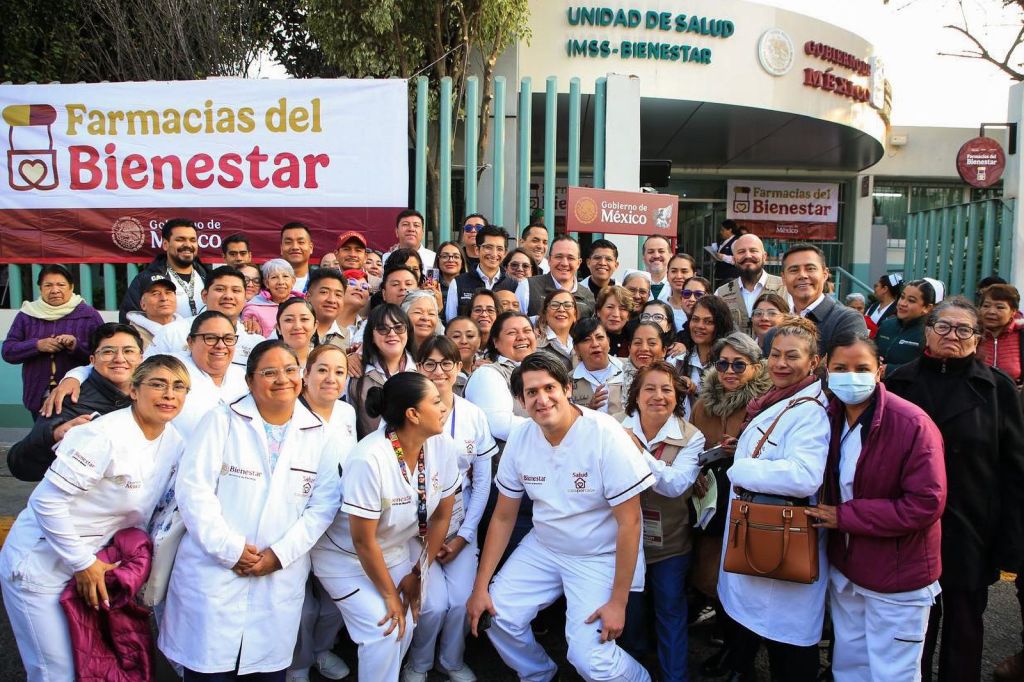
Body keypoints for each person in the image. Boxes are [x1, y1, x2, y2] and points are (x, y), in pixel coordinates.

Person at [466, 352, 655, 682]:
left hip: (599, 555)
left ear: (568, 388)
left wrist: (617, 602)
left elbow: (630, 522)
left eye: (549, 388)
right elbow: (503, 518)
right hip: (545, 546)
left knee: (590, 659)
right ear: (520, 401)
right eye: (531, 392)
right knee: (496, 616)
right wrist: (480, 587)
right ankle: (538, 674)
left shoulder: (604, 434)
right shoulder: (521, 438)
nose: (542, 399)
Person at [159, 340, 340, 680]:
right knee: (209, 671)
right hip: (215, 573)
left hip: (278, 577)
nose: (282, 379)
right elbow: (193, 490)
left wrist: (280, 554)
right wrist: (230, 549)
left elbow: (324, 504)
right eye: (269, 372)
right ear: (249, 380)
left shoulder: (317, 431)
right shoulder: (221, 420)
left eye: (289, 370)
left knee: (266, 672)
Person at [1, 355, 188, 681]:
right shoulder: (102, 435)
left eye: (178, 387)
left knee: (94, 665)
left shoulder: (175, 442)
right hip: (43, 562)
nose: (169, 394)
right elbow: (47, 503)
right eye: (157, 384)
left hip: (98, 567)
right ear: (133, 390)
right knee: (55, 672)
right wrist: (82, 563)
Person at [884, 298, 1024, 682]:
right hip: (908, 527)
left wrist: (1011, 540)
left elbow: (1015, 471)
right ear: (927, 331)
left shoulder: (998, 389)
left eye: (964, 329)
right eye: (944, 326)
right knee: (912, 628)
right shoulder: (897, 384)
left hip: (972, 528)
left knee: (964, 628)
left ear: (977, 338)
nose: (953, 335)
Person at [804, 333, 946, 682]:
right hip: (848, 572)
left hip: (896, 576)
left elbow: (925, 503)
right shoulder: (828, 417)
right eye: (840, 367)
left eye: (861, 368)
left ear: (880, 370)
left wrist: (844, 517)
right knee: (849, 666)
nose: (851, 376)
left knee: (892, 672)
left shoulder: (911, 424)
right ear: (825, 368)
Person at [311, 373, 459, 681]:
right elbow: (363, 542)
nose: (444, 405)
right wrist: (390, 595)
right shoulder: (370, 459)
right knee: (386, 629)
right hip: (346, 558)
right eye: (435, 401)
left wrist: (419, 573)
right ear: (413, 414)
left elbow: (442, 516)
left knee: (405, 627)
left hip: (392, 550)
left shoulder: (441, 445)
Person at [717, 317, 830, 682]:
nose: (781, 363)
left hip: (782, 537)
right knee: (761, 625)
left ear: (813, 362)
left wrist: (741, 467)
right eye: (775, 354)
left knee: (788, 647)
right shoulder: (777, 400)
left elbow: (804, 475)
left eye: (792, 356)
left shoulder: (811, 410)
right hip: (763, 532)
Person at [404, 337, 498, 682]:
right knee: (432, 605)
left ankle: (452, 660)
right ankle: (420, 662)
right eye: (430, 363)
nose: (439, 371)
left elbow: (483, 483)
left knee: (460, 602)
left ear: (459, 368)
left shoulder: (474, 415)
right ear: (418, 368)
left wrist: (465, 536)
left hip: (461, 522)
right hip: (417, 526)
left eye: (447, 364)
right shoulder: (408, 412)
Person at [689, 332, 773, 676]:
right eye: (722, 363)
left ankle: (743, 659)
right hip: (710, 501)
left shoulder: (766, 403)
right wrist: (693, 469)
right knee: (711, 578)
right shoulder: (702, 402)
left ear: (755, 367)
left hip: (748, 504)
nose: (730, 370)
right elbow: (689, 446)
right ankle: (729, 648)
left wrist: (742, 449)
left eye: (739, 364)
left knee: (745, 583)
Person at [619, 361, 705, 682]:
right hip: (623, 542)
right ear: (636, 396)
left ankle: (675, 677)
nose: (658, 396)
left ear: (677, 395)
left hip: (670, 543)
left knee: (671, 611)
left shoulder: (691, 437)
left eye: (666, 389)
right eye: (650, 389)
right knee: (631, 612)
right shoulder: (614, 426)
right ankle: (631, 671)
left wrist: (637, 451)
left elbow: (674, 485)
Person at [288, 344, 357, 682]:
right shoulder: (290, 417)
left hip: (341, 523)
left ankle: (321, 651)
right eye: (323, 370)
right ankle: (298, 664)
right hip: (298, 523)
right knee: (304, 606)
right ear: (306, 373)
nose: (332, 378)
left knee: (333, 603)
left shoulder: (347, 414)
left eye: (340, 371)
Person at [7, 323, 143, 482]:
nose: (119, 358)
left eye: (128, 351)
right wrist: (53, 436)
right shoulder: (68, 399)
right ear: (92, 359)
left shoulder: (152, 394)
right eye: (108, 352)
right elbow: (21, 465)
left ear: (141, 357)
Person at [3, 264, 103, 417]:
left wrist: (75, 345)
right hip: (38, 394)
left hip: (78, 394)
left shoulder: (89, 315)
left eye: (61, 285)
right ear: (40, 288)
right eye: (48, 285)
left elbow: (103, 353)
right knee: (43, 437)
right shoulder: (27, 314)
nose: (55, 290)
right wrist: (37, 345)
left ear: (71, 287)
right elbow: (8, 351)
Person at [143, 266, 263, 367]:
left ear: (244, 298)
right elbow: (146, 375)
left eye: (236, 290)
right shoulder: (172, 333)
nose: (228, 296)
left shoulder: (256, 342)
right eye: (220, 289)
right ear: (204, 295)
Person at [775, 243, 867, 354]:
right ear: (783, 278)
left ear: (825, 274)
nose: (802, 275)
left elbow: (848, 364)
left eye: (810, 269)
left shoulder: (847, 320)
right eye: (794, 270)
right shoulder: (778, 324)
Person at [463, 312, 536, 443]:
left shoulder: (546, 369)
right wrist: (553, 428)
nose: (521, 337)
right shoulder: (486, 374)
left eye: (527, 331)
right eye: (512, 333)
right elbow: (500, 426)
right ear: (496, 342)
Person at [349, 304, 418, 438]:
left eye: (399, 328)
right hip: (370, 454)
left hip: (414, 455)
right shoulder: (356, 373)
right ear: (371, 336)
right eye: (382, 329)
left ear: (408, 332)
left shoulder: (421, 371)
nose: (392, 334)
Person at [119, 218, 207, 322]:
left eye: (193, 240)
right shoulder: (145, 280)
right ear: (165, 244)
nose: (188, 245)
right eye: (180, 239)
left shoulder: (208, 277)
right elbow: (129, 320)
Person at [501, 235, 595, 318]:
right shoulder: (527, 286)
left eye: (570, 258)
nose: (564, 263)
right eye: (559, 257)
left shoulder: (587, 296)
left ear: (578, 263)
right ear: (549, 260)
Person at [713, 234, 787, 336]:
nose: (747, 256)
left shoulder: (785, 287)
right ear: (734, 259)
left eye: (753, 251)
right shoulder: (721, 293)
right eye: (741, 252)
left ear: (764, 257)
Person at [678, 295, 735, 408]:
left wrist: (696, 392)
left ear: (720, 325)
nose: (700, 326)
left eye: (708, 322)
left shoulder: (729, 365)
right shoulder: (678, 359)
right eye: (695, 319)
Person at [875, 278, 938, 373]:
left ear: (927, 308)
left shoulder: (931, 334)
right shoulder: (886, 324)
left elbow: (929, 370)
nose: (902, 303)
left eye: (911, 300)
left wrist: (890, 370)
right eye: (902, 297)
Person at [446, 225, 508, 320]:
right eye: (488, 247)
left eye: (499, 249)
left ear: (505, 253)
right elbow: (451, 322)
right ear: (477, 250)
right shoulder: (458, 283)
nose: (494, 254)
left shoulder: (513, 285)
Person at [571, 318, 625, 415]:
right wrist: (588, 410)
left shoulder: (627, 368)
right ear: (576, 348)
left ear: (608, 341)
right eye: (586, 340)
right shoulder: (569, 381)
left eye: (600, 337)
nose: (595, 344)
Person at [977, 283, 1024, 385]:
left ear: (1013, 312)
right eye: (986, 306)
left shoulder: (1021, 334)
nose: (991, 311)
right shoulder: (971, 333)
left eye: (1000, 307)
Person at [243, 259, 302, 337]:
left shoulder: (302, 304)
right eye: (274, 277)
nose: (281, 282)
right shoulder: (253, 308)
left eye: (285, 276)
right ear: (267, 283)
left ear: (293, 281)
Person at [125, 274, 182, 350]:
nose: (164, 298)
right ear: (143, 304)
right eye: (155, 294)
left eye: (168, 292)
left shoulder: (189, 329)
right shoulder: (130, 336)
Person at [534, 289, 578, 370]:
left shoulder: (581, 342)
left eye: (567, 305)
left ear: (574, 314)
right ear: (545, 312)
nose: (561, 309)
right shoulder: (534, 342)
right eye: (554, 305)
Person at [305, 268, 348, 348]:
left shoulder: (350, 337)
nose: (332, 300)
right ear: (308, 297)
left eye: (338, 295)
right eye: (324, 292)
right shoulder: (294, 330)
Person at [277, 298, 318, 367]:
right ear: (278, 328)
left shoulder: (327, 359)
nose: (297, 326)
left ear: (315, 326)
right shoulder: (266, 361)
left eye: (304, 319)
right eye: (289, 320)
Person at [598, 285, 636, 357]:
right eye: (610, 307)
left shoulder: (634, 341)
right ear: (598, 311)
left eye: (622, 308)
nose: (616, 314)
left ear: (628, 316)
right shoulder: (588, 340)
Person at [665, 253, 698, 330]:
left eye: (684, 271)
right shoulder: (660, 307)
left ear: (694, 275)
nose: (679, 276)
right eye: (673, 271)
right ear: (667, 274)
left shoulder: (702, 308)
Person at [281, 222, 315, 292]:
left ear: (311, 248)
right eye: (288, 242)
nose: (295, 247)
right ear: (281, 248)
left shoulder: (320, 281)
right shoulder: (266, 281)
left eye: (301, 242)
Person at [435, 241, 468, 314]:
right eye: (445, 256)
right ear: (438, 261)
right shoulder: (432, 288)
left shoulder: (471, 286)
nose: (450, 260)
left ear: (462, 262)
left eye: (456, 256)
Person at [642, 235, 673, 301]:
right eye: (651, 252)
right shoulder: (631, 286)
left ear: (670, 255)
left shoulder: (678, 286)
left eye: (661, 251)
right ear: (643, 257)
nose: (656, 256)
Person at [712, 220, 741, 288]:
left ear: (730, 230)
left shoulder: (735, 242)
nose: (721, 232)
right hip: (720, 277)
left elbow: (738, 259)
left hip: (730, 278)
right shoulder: (722, 242)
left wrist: (723, 257)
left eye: (723, 230)